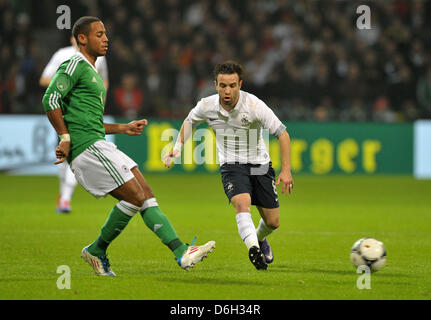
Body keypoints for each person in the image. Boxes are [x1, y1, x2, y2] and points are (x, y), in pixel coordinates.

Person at [42, 16, 215, 276]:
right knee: (135, 196)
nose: (106, 38)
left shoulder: (93, 73)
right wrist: (65, 138)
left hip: (97, 140)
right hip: (87, 147)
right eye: (99, 34)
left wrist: (123, 128)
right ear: (82, 38)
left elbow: (90, 121)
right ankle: (98, 249)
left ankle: (180, 252)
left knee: (145, 191)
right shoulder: (74, 64)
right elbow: (50, 97)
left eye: (105, 34)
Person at [164, 61, 293, 270]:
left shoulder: (254, 105)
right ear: (215, 85)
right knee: (241, 204)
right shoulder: (207, 105)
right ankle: (253, 249)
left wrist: (286, 170)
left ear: (240, 84)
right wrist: (178, 147)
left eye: (232, 85)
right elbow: (190, 121)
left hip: (259, 164)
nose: (227, 90)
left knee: (273, 222)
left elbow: (283, 134)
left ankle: (259, 238)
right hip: (232, 165)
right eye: (223, 85)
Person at [40, 35, 109, 214]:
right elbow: (45, 79)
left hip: (85, 114)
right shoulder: (62, 55)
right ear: (75, 38)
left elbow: (104, 81)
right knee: (66, 156)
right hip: (63, 112)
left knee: (74, 155)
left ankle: (65, 198)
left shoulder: (99, 58)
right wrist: (66, 81)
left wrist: (99, 105)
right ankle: (64, 195)